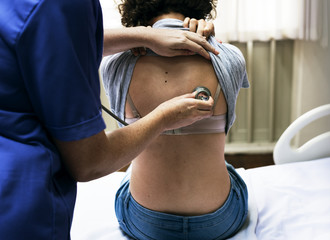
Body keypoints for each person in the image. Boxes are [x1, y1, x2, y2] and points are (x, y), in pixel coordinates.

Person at [0, 0, 218, 239]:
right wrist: (164, 117)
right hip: (19, 206)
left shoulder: (113, 65)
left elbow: (53, 37)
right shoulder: (227, 57)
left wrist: (144, 35)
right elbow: (89, 161)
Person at [100, 0, 250, 239]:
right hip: (220, 220)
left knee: (131, 173)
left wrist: (138, 37)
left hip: (145, 224)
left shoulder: (114, 64)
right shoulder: (230, 57)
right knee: (230, 171)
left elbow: (82, 43)